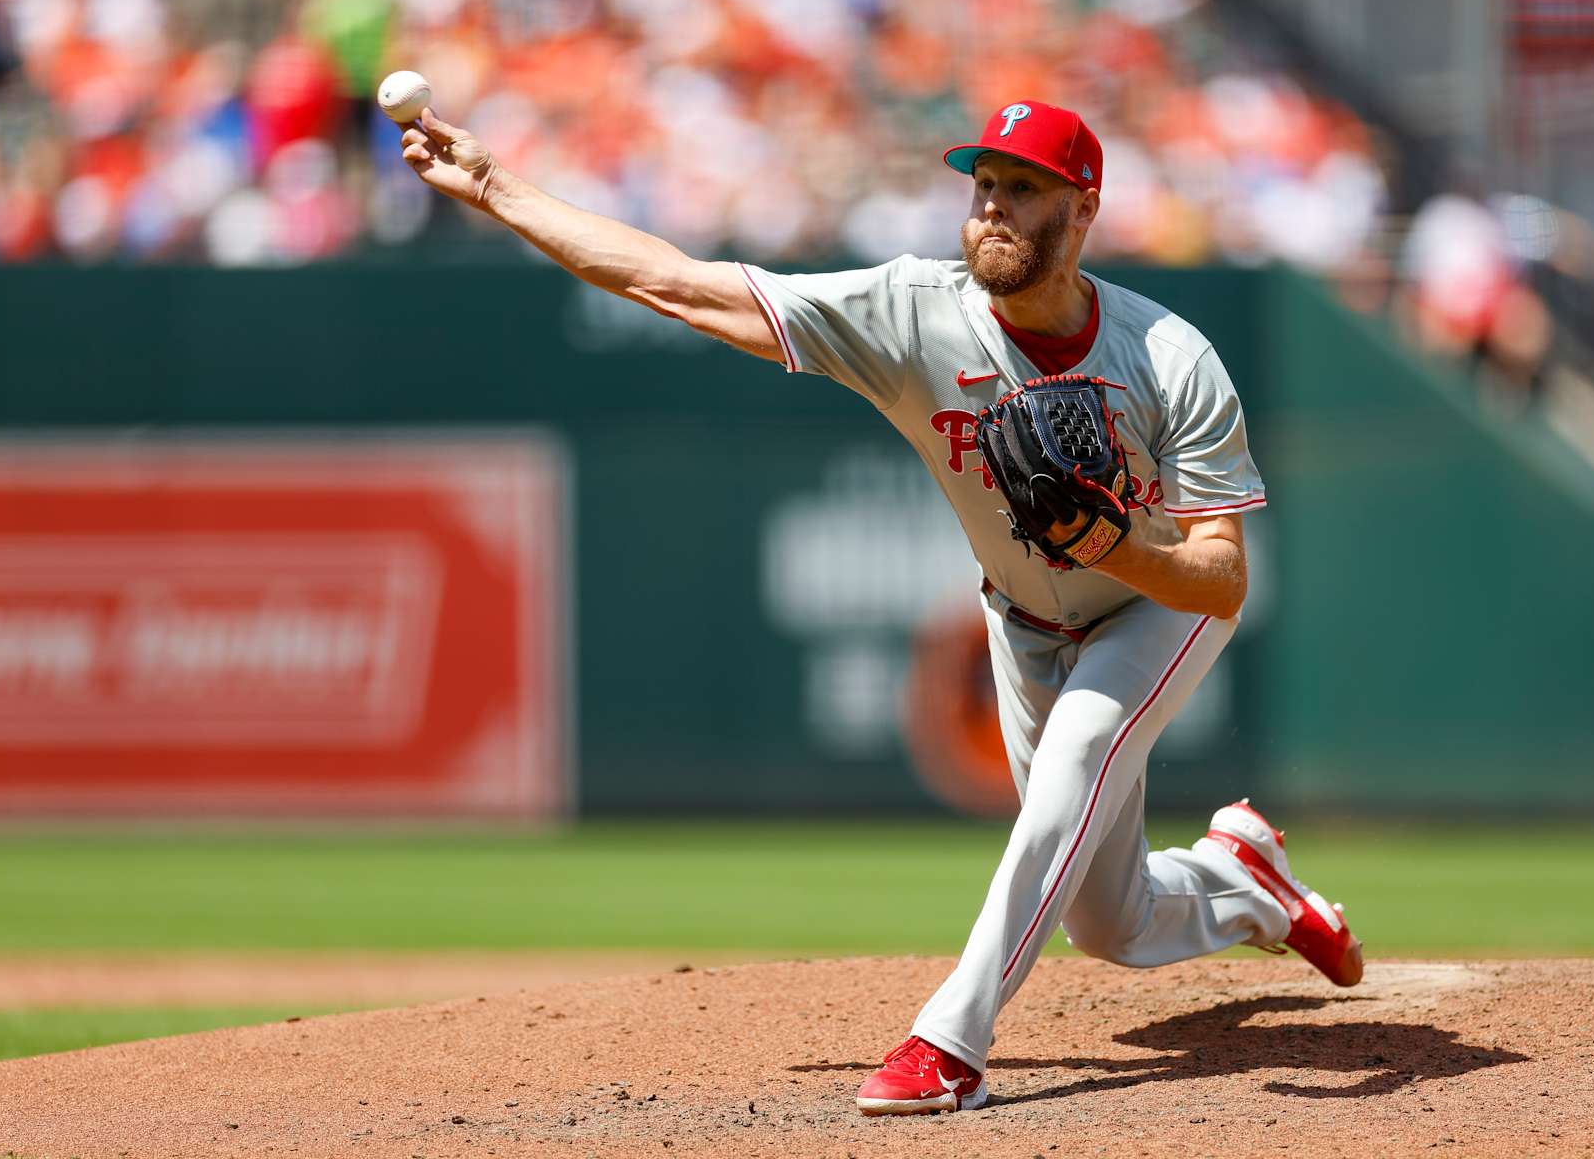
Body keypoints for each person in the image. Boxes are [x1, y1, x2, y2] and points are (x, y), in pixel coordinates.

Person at [395, 97, 1363, 1115]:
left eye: (1021, 190)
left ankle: (949, 1043)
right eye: (981, 185)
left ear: (1081, 211)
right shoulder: (911, 311)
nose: (990, 207)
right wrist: (498, 189)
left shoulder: (1167, 355)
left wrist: (1114, 545)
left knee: (1075, 762)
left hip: (1152, 609)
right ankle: (1243, 880)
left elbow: (1223, 577)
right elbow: (674, 284)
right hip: (1025, 621)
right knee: (1112, 925)